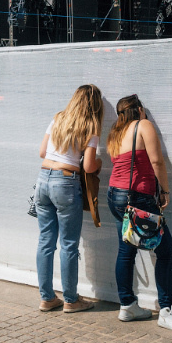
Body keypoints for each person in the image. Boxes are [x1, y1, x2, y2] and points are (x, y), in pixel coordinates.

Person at [106, 95, 172, 332]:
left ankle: (127, 305)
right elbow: (157, 162)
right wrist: (164, 191)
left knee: (126, 251)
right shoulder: (143, 125)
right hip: (138, 197)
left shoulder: (115, 132)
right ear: (139, 110)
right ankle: (166, 311)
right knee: (166, 252)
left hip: (116, 196)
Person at [35, 84, 104, 314]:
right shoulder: (90, 126)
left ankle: (47, 298)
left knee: (46, 241)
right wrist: (99, 163)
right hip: (65, 182)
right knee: (68, 245)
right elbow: (89, 166)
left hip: (43, 179)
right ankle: (71, 300)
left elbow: (42, 152)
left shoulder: (58, 118)